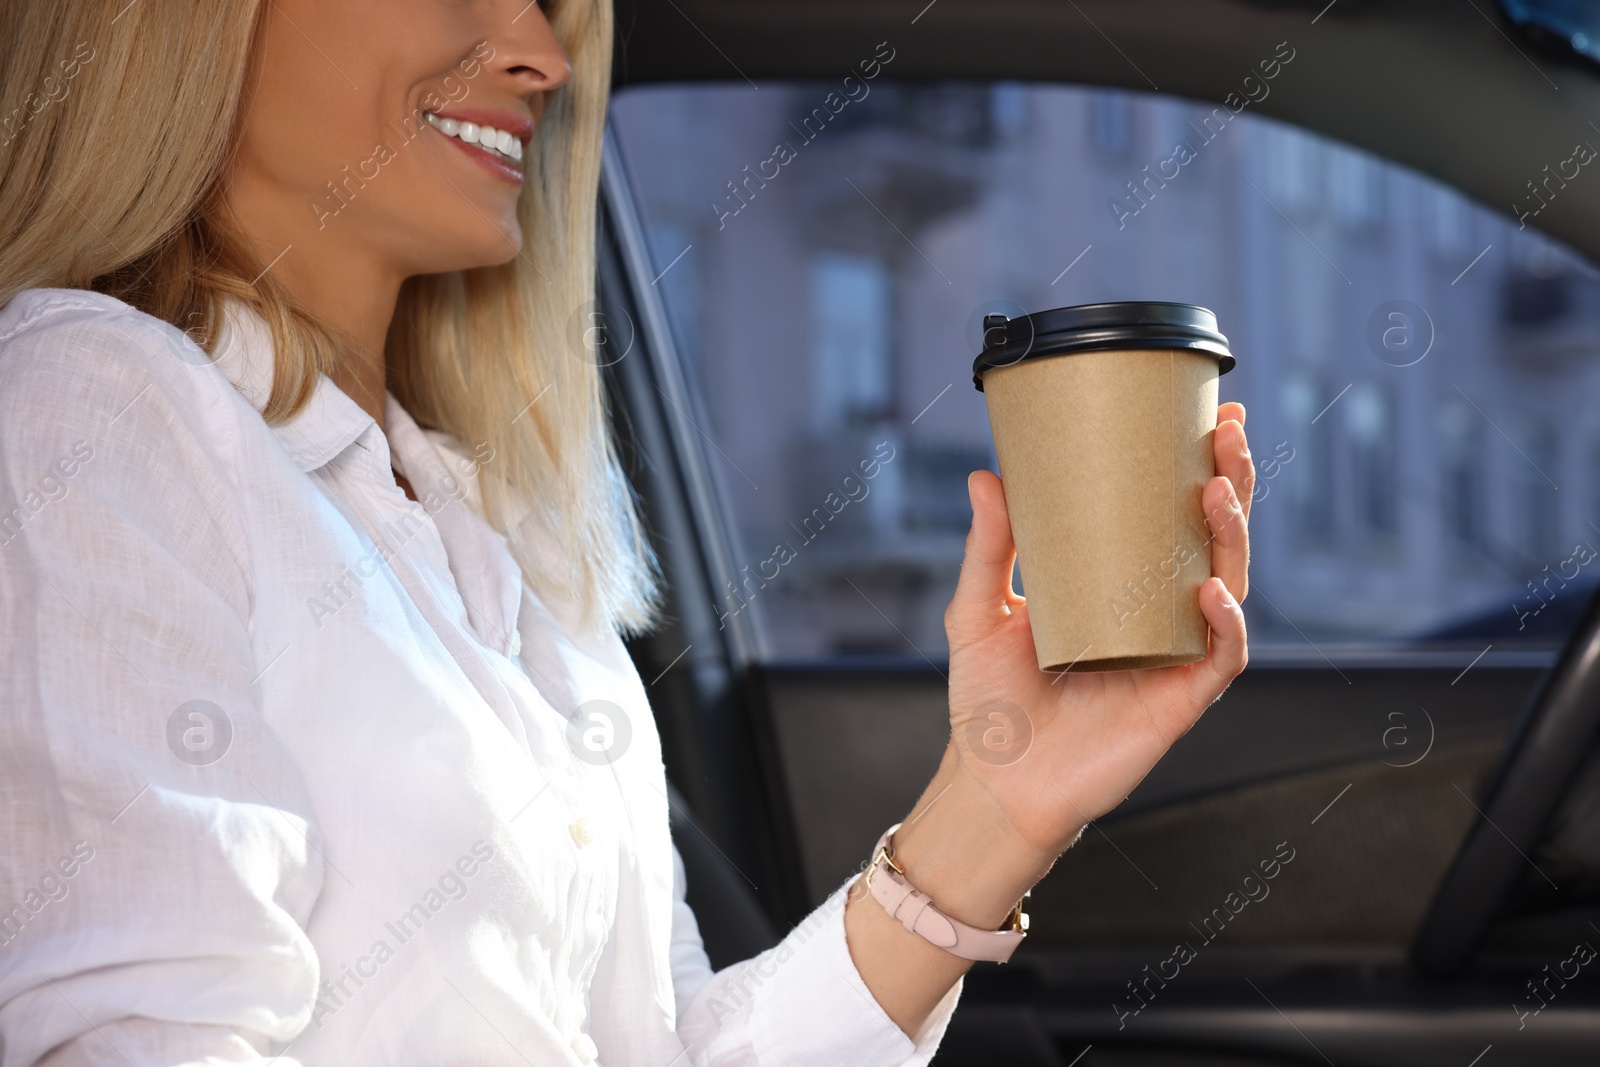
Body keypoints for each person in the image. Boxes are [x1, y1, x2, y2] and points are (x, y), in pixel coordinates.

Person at [0, 0, 1255, 1063]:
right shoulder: (92, 405)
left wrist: (998, 805)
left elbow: (660, 1043)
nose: (540, 51)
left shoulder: (497, 526)